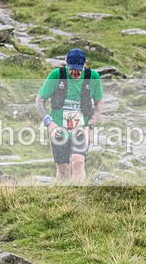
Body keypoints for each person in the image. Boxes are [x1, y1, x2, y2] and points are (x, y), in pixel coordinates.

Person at [36, 48, 104, 182]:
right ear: (66, 63)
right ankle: (63, 198)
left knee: (78, 162)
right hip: (59, 130)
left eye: (78, 69)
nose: (74, 72)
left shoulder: (93, 77)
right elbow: (39, 101)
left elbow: (99, 103)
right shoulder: (57, 75)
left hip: (81, 129)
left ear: (85, 63)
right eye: (71, 68)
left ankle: (78, 196)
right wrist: (50, 123)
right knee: (62, 170)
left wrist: (89, 126)